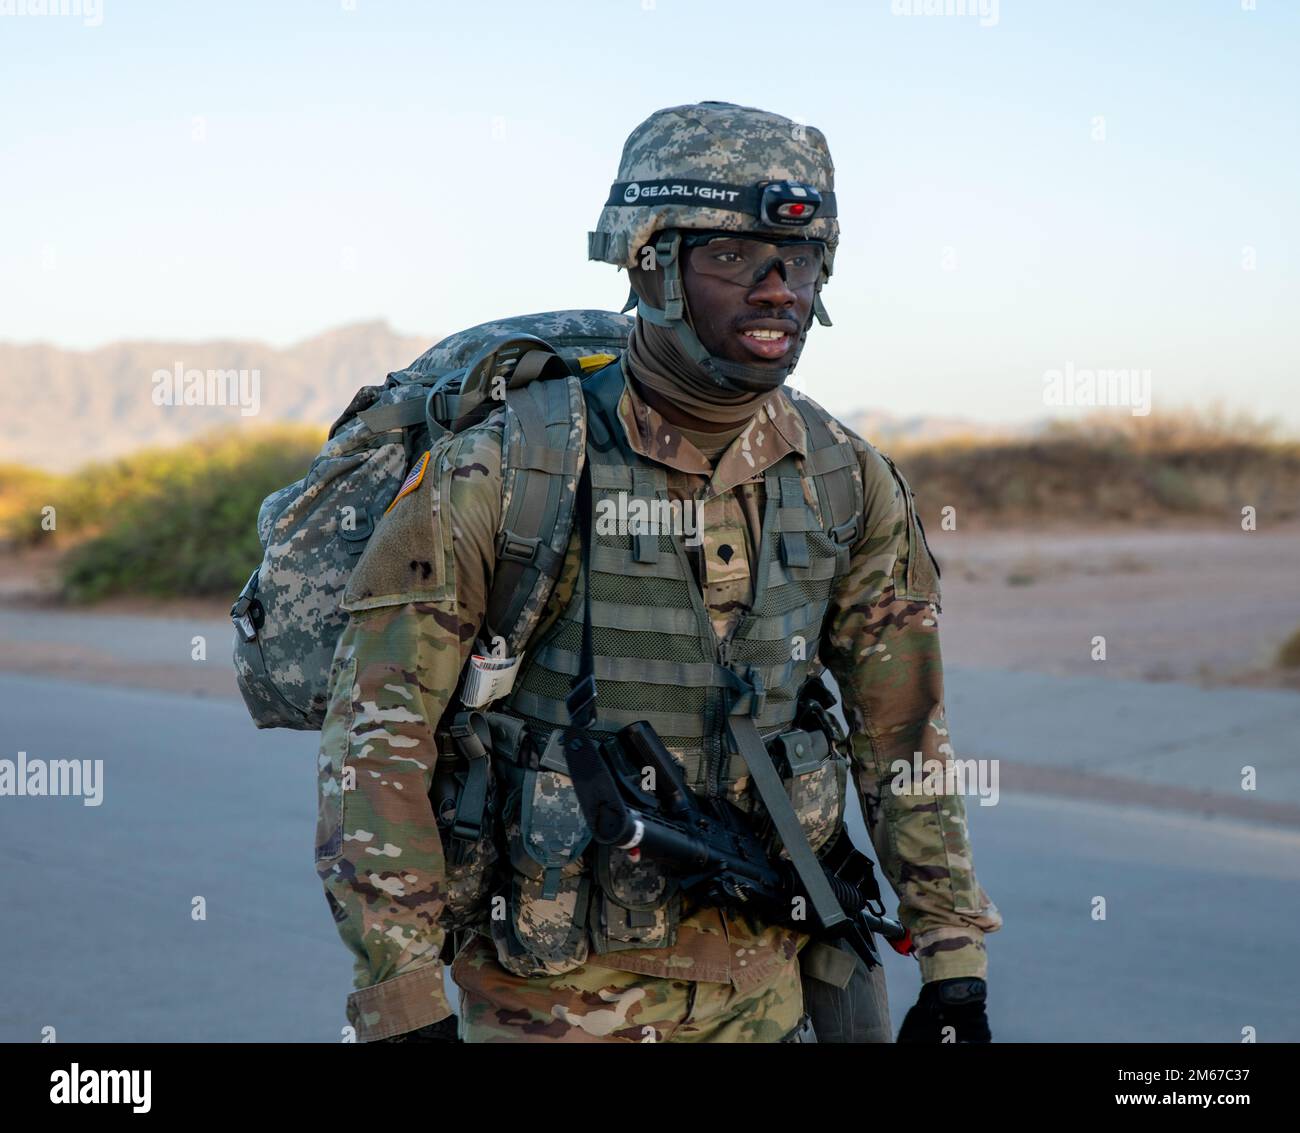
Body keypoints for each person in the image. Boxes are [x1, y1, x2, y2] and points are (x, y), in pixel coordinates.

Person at [314, 100, 1000, 1044]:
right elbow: (376, 749)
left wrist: (955, 957)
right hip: (546, 1006)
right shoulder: (511, 468)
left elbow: (905, 741)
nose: (775, 290)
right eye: (731, 257)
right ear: (651, 267)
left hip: (773, 996)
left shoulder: (849, 480)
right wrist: (401, 1000)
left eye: (796, 262)